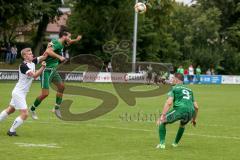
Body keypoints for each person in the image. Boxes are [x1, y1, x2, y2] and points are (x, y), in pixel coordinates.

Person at [30, 30, 82, 119]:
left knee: (61, 87)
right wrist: (60, 57)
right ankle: (32, 109)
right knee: (45, 94)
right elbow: (48, 51)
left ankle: (56, 108)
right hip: (45, 70)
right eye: (69, 37)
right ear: (64, 36)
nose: (69, 39)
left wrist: (76, 40)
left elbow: (70, 42)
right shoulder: (56, 42)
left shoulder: (62, 43)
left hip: (53, 70)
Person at [0, 48, 46, 136]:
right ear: (25, 56)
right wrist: (43, 67)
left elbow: (44, 56)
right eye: (29, 54)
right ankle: (11, 131)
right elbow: (35, 76)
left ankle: (11, 130)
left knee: (11, 109)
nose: (32, 55)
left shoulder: (33, 62)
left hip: (20, 92)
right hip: (19, 93)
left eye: (32, 53)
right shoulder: (23, 66)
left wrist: (51, 47)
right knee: (25, 114)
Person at [156, 73, 199, 149]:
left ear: (176, 79)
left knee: (162, 122)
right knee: (182, 125)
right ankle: (175, 144)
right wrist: (194, 119)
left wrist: (162, 116)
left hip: (180, 109)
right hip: (190, 112)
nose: (172, 80)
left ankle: (162, 144)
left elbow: (169, 103)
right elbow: (196, 107)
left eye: (173, 78)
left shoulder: (174, 88)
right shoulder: (190, 90)